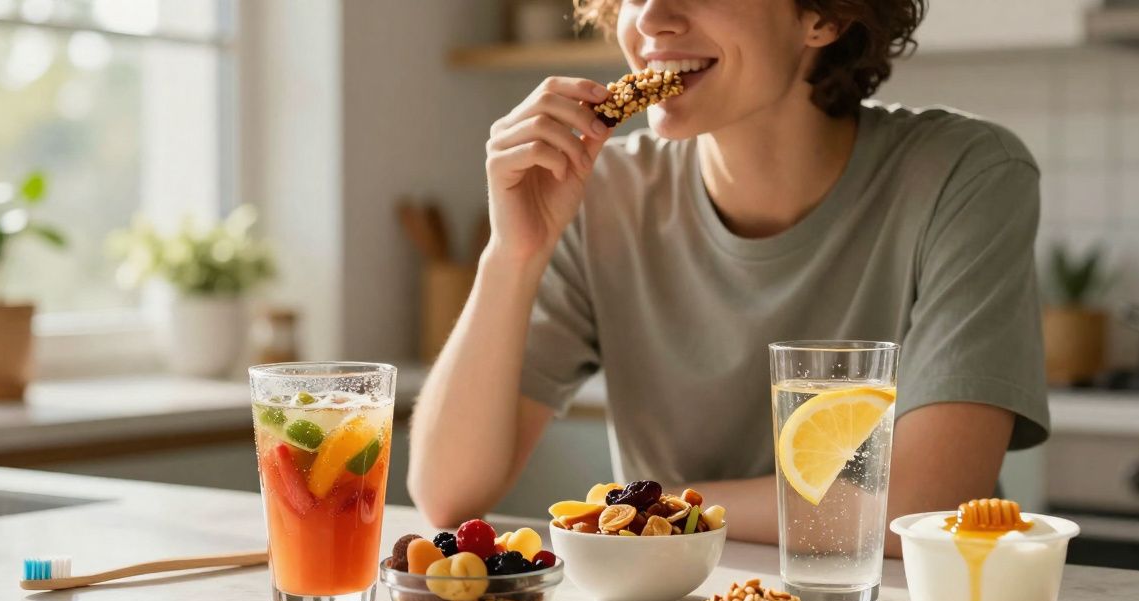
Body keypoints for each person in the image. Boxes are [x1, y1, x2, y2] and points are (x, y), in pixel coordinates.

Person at [409, 0, 1049, 555]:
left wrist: (650, 509)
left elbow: (923, 505)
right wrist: (512, 255)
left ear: (822, 14)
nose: (652, 19)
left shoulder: (965, 176)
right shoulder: (599, 194)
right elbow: (444, 492)